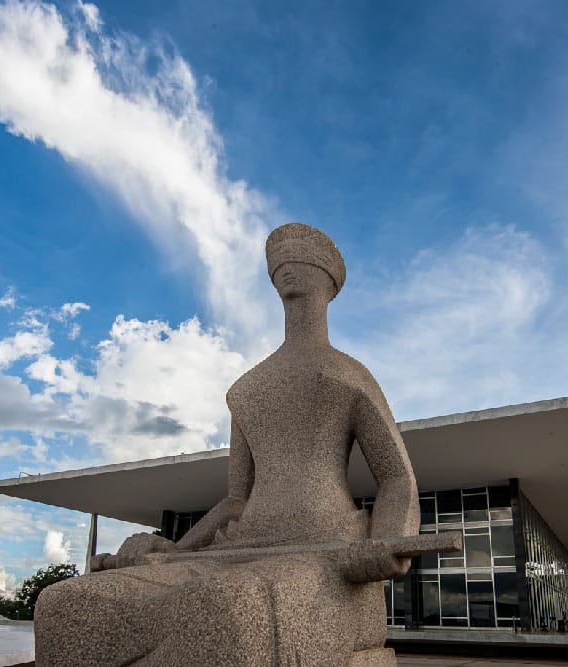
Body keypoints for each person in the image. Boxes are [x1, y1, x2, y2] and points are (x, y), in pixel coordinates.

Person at [34, 223, 420, 667]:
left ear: (329, 280)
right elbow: (237, 500)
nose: (285, 268)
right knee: (70, 603)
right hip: (237, 549)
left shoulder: (348, 376)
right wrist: (177, 550)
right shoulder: (247, 389)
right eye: (278, 262)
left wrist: (384, 545)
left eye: (300, 258)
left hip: (326, 552)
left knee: (227, 607)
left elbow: (397, 478)